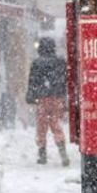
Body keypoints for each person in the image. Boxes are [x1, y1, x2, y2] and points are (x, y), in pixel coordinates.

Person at [26, 38, 70, 166]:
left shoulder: (37, 63)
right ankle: (63, 153)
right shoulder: (60, 62)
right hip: (57, 98)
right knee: (56, 124)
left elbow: (33, 81)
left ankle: (42, 153)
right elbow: (65, 80)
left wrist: (30, 96)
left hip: (42, 99)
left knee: (41, 126)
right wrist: (64, 97)